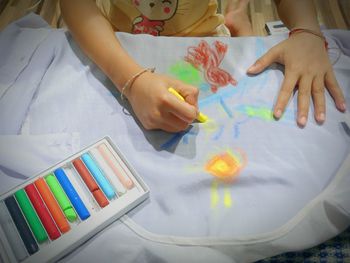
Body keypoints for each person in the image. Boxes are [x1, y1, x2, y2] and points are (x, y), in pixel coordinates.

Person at [59, 0, 346, 132]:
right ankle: (238, 20)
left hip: (204, 40)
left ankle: (237, 21)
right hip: (123, 46)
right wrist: (131, 81)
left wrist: (307, 30)